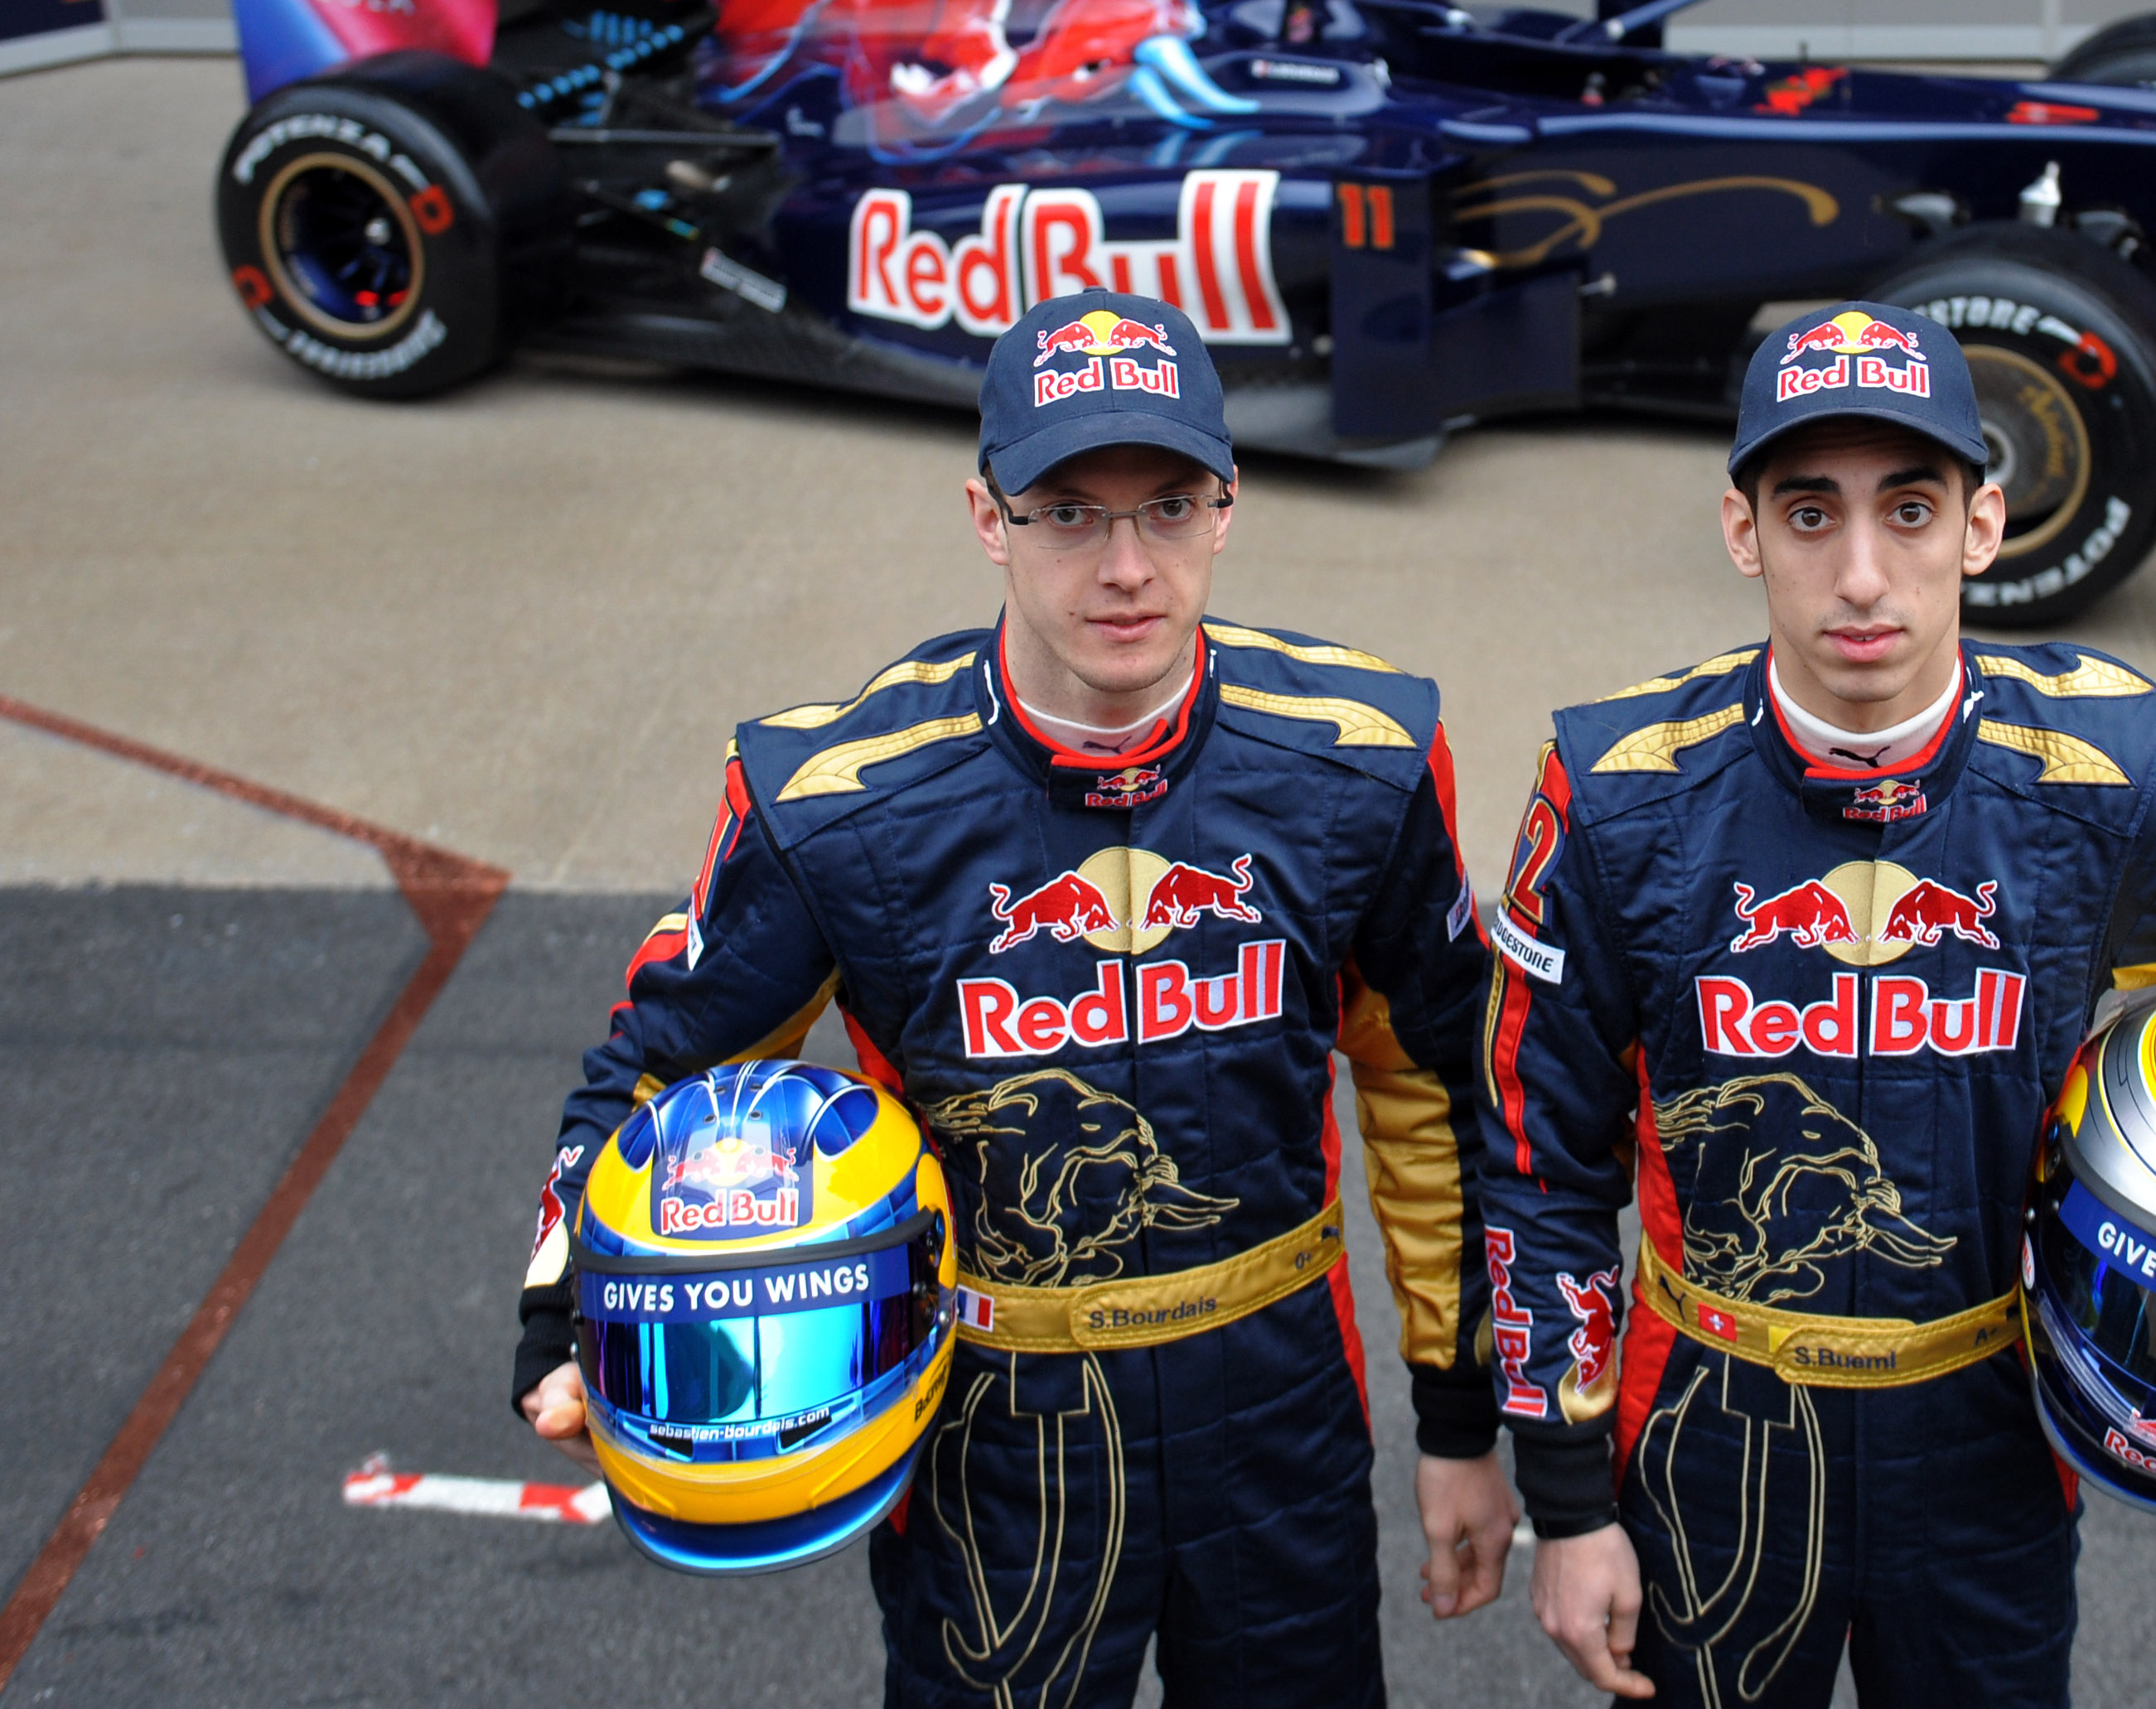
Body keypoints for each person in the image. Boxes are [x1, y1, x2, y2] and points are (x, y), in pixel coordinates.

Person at [1478, 300, 2156, 1705]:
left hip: (1989, 1435)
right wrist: (1566, 1499)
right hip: (1709, 1421)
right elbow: (1535, 1156)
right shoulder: (1614, 791)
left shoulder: (2110, 768)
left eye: (1909, 510)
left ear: (1981, 524)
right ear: (1741, 531)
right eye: (1808, 513)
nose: (1860, 574)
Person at [513, 290, 1515, 1707]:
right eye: (1066, 513)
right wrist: (556, 1322)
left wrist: (1461, 1416)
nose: (1125, 564)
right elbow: (653, 1076)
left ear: (1228, 504)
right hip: (990, 1439)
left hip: (1277, 1411)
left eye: (1168, 507)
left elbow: (1439, 1088)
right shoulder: (836, 802)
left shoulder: (1359, 760)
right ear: (987, 514)